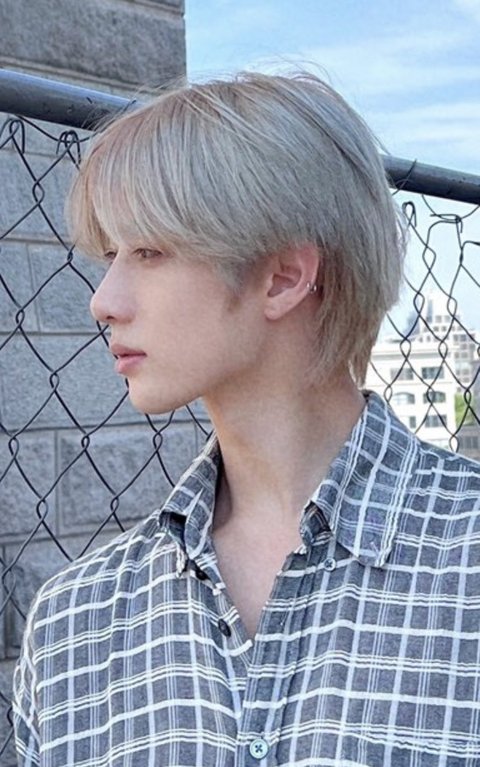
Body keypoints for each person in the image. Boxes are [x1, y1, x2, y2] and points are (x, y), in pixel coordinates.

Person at [12, 71, 480, 767]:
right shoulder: (73, 623)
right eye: (112, 256)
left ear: (283, 276)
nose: (103, 301)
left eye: (149, 252)